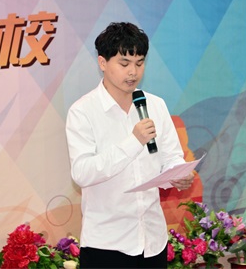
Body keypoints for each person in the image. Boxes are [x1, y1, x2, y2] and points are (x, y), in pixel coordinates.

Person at [66, 22, 194, 269]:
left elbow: (171, 157)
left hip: (152, 241)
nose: (133, 72)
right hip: (106, 245)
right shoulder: (83, 111)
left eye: (139, 63)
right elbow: (82, 173)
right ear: (103, 63)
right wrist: (133, 142)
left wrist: (178, 174)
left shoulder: (155, 105)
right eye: (124, 64)